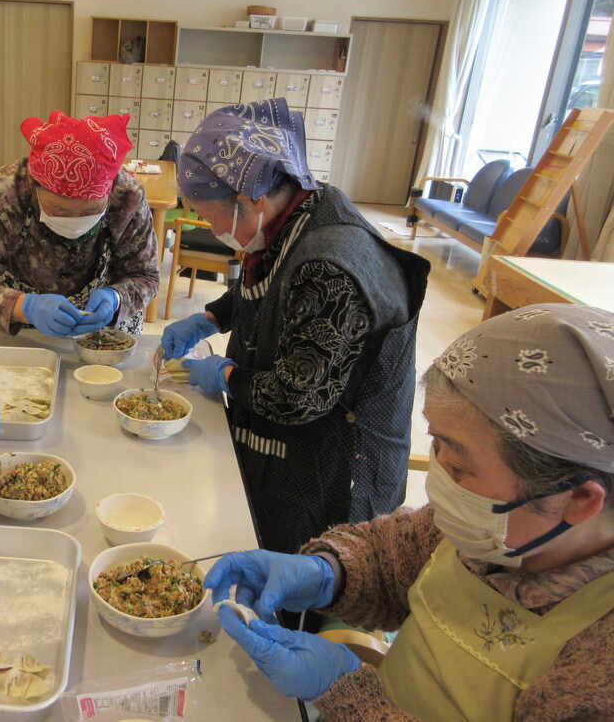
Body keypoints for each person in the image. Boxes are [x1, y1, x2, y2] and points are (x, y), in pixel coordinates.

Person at [205, 304, 614, 719]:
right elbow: (389, 558)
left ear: (578, 500)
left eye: (459, 467)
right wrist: (329, 572)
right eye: (436, 443)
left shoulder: (598, 669)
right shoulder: (488, 531)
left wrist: (346, 691)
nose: (441, 484)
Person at [160, 98, 429, 559]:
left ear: (252, 200)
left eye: (210, 217)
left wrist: (223, 377)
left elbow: (296, 396)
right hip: (298, 435)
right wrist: (211, 317)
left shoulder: (330, 266)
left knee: (300, 566)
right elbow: (276, 287)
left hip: (341, 463)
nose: (210, 227)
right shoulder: (299, 206)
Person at [0, 111, 159, 337]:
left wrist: (116, 299)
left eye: (91, 210)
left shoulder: (127, 197)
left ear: (108, 194)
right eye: (60, 210)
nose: (75, 223)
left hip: (102, 323)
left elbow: (145, 275)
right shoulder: (1, 195)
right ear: (34, 188)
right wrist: (26, 307)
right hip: (20, 320)